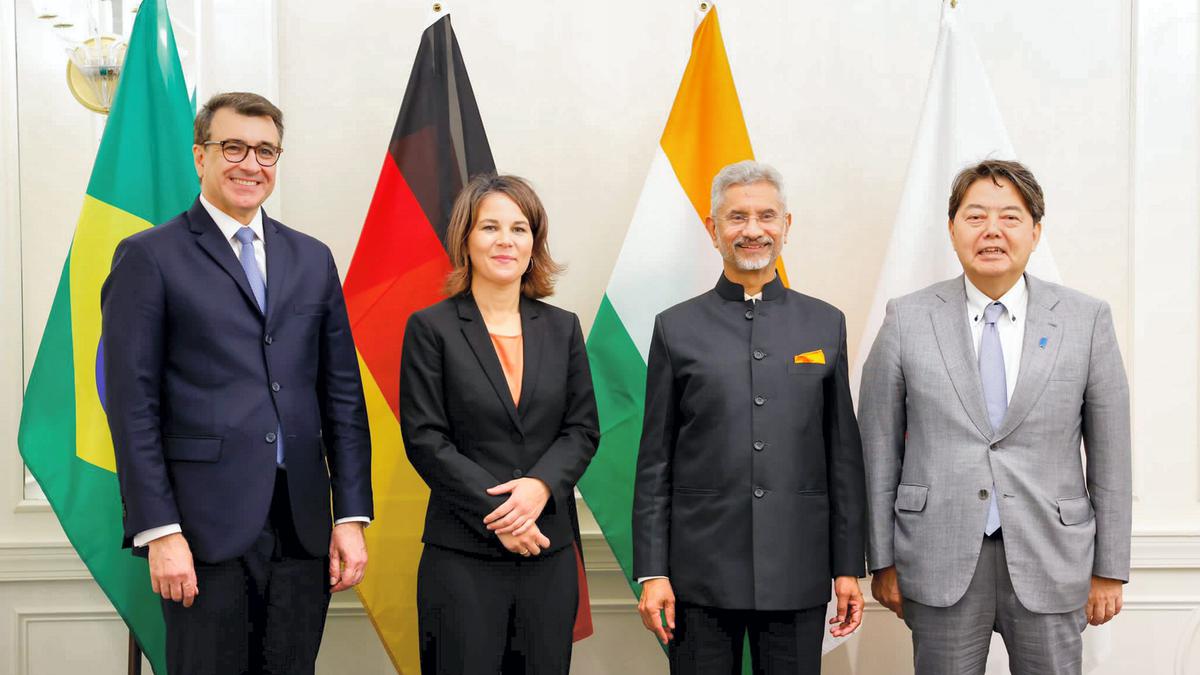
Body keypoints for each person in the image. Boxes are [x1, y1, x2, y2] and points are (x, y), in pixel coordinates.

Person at [101, 92, 373, 675]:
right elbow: (132, 407)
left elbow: (343, 399)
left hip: (302, 527)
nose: (251, 164)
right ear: (200, 156)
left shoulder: (313, 258)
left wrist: (350, 516)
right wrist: (160, 531)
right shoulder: (149, 257)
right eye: (233, 148)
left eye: (266, 151)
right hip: (200, 531)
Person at [859, 159, 1131, 674]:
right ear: (952, 229)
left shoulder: (1086, 319)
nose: (992, 231)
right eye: (975, 216)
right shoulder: (906, 318)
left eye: (1010, 217)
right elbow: (877, 448)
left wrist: (1110, 568)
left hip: (1053, 554)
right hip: (937, 555)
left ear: (1035, 231)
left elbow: (1112, 454)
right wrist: (883, 559)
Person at [632, 160, 867, 674]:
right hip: (698, 574)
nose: (753, 230)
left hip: (798, 569)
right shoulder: (675, 327)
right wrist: (652, 571)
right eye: (737, 217)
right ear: (713, 229)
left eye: (766, 216)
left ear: (786, 225)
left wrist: (849, 567)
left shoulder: (825, 323)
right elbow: (655, 461)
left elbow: (842, 457)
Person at [399, 173, 599, 674]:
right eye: (490, 227)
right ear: (465, 239)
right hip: (462, 556)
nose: (505, 240)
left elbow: (582, 429)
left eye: (519, 228)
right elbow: (425, 439)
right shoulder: (430, 328)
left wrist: (538, 487)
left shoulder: (563, 328)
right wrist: (504, 515)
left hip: (548, 554)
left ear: (534, 243)